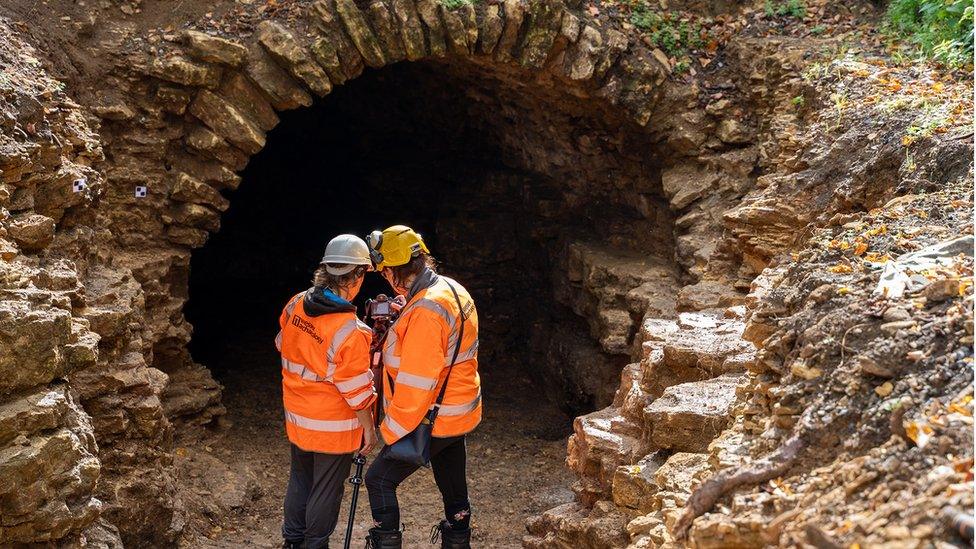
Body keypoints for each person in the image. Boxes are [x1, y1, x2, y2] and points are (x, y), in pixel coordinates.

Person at [363, 225, 481, 549]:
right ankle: (458, 541)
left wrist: (387, 433)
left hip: (434, 419)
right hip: (458, 413)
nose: (384, 278)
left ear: (392, 269)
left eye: (384, 271)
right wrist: (404, 318)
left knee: (379, 479)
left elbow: (416, 387)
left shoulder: (426, 312)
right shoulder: (451, 289)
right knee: (453, 487)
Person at [277, 234, 379, 549]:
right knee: (326, 489)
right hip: (333, 425)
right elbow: (356, 390)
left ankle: (292, 542)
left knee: (301, 479)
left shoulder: (295, 303)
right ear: (358, 276)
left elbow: (282, 343)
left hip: (297, 414)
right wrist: (369, 429)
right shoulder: (351, 330)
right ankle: (315, 544)